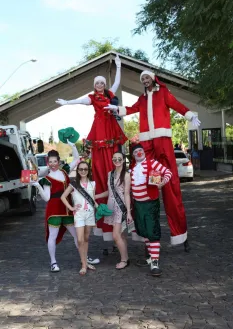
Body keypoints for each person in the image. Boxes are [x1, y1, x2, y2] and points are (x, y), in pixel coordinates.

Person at [105, 70, 201, 250]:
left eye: (147, 77)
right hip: (148, 145)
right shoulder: (142, 99)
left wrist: (190, 114)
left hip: (163, 143)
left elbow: (176, 104)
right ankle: (146, 236)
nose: (145, 80)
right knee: (145, 186)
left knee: (172, 188)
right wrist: (116, 109)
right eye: (143, 79)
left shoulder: (163, 92)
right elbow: (132, 108)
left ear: (153, 78)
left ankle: (180, 235)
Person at [55, 55, 128, 243]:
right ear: (94, 85)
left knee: (114, 156)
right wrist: (66, 103)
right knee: (100, 163)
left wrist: (119, 67)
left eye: (102, 83)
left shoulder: (110, 95)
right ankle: (104, 197)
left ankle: (119, 191)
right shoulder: (92, 98)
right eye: (98, 83)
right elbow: (79, 101)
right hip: (99, 128)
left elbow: (118, 82)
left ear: (104, 85)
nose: (100, 85)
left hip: (110, 127)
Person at [32, 143, 99, 272]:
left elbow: (76, 160)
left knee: (77, 236)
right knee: (52, 236)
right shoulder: (46, 179)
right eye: (50, 162)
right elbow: (46, 198)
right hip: (54, 210)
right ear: (48, 162)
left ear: (58, 161)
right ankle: (53, 262)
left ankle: (84, 258)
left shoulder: (64, 171)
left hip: (68, 209)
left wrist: (73, 146)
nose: (53, 164)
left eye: (55, 161)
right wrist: (37, 185)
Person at [130, 144, 172, 276]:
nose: (138, 153)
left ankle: (155, 262)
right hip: (138, 205)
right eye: (136, 151)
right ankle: (150, 257)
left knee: (152, 230)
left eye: (140, 150)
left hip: (150, 203)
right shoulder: (132, 170)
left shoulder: (152, 163)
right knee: (143, 230)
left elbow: (168, 172)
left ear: (144, 152)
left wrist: (162, 182)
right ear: (133, 155)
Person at [95, 151, 132, 269]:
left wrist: (129, 212)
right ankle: (126, 257)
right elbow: (110, 192)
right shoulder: (110, 174)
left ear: (123, 160)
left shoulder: (126, 175)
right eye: (115, 159)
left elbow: (126, 194)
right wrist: (96, 196)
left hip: (121, 207)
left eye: (119, 159)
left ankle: (124, 260)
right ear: (112, 160)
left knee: (116, 235)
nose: (117, 161)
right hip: (111, 206)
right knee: (121, 235)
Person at [61, 161, 97, 275]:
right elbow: (63, 197)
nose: (83, 171)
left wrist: (99, 208)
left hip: (90, 214)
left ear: (88, 171)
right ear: (78, 171)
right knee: (80, 239)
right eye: (81, 169)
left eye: (85, 169)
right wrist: (71, 208)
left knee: (86, 239)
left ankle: (85, 262)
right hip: (79, 214)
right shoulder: (74, 184)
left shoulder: (93, 184)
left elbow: (93, 199)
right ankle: (83, 265)